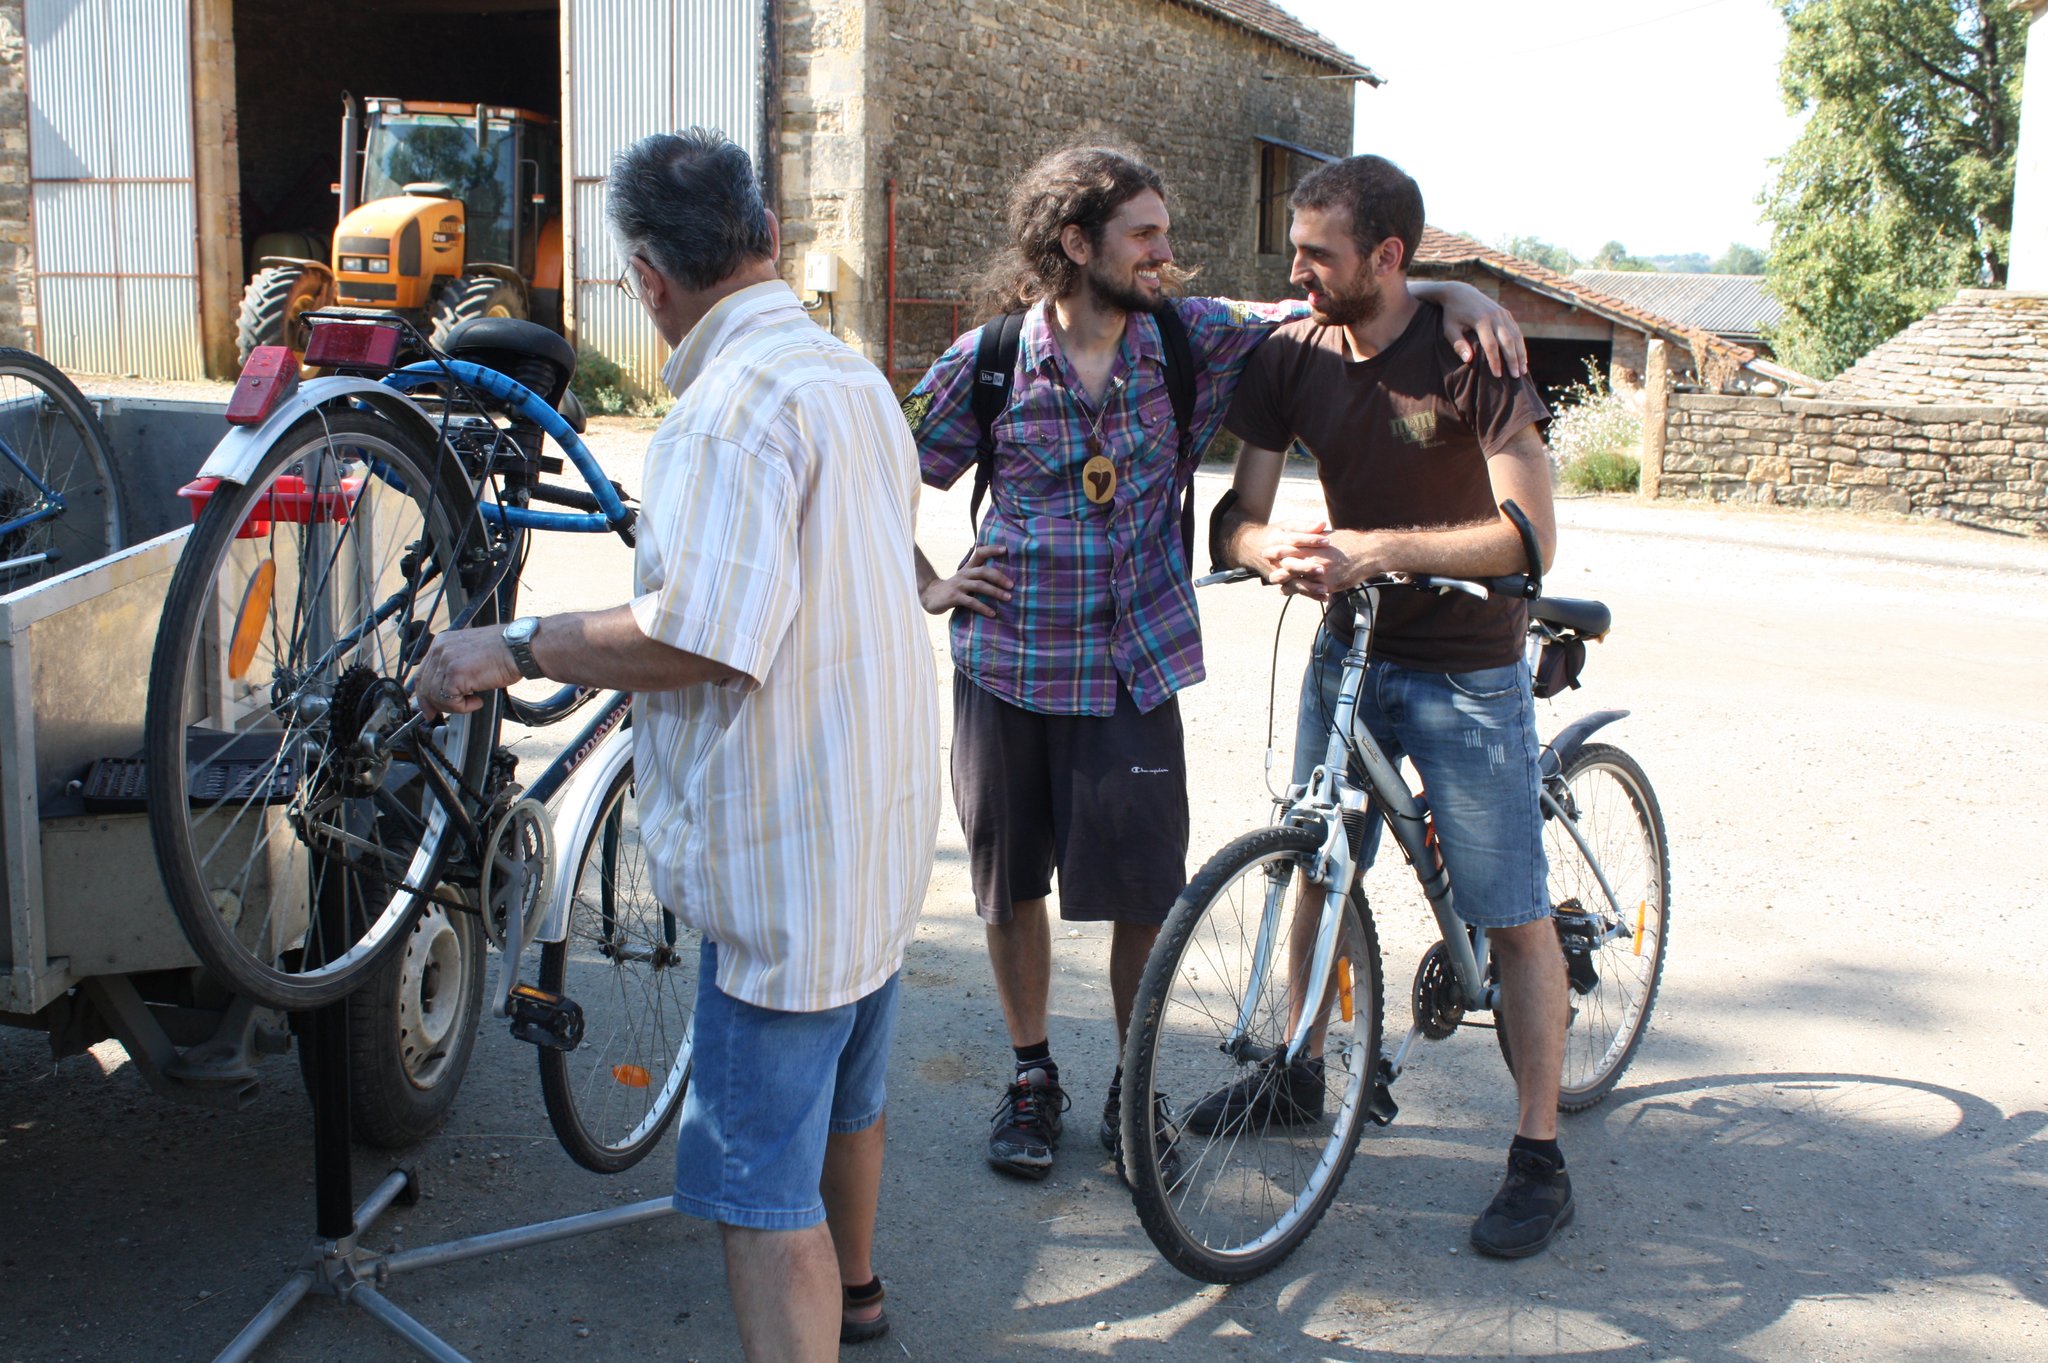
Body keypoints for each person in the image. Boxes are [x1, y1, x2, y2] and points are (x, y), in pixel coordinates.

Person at [900, 144, 1527, 1184]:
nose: (1165, 253)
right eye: (1144, 234)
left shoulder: (1191, 335)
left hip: (1133, 667)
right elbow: (878, 461)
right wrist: (924, 580)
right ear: (1075, 244)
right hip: (1006, 664)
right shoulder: (991, 358)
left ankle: (1131, 1089)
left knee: (1145, 894)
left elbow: (1333, 300)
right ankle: (1031, 1076)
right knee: (1010, 889)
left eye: (1165, 232)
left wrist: (1453, 291)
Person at [414, 129, 940, 1360]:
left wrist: (512, 643)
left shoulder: (722, 413)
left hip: (788, 861)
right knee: (847, 1095)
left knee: (760, 1196)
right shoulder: (849, 377)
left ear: (646, 280)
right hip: (872, 825)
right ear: (766, 237)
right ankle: (859, 1297)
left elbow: (697, 637)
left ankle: (819, 1312)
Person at [1212, 153, 1571, 1259]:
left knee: (1509, 911)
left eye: (1317, 254)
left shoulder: (1470, 353)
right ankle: (1298, 1071)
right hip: (1349, 652)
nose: (1296, 272)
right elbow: (1234, 513)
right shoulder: (1290, 353)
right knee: (1316, 863)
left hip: (1466, 665)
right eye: (1294, 250)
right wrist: (1264, 547)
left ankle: (1539, 1156)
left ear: (1386, 256)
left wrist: (1380, 548)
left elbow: (1528, 539)